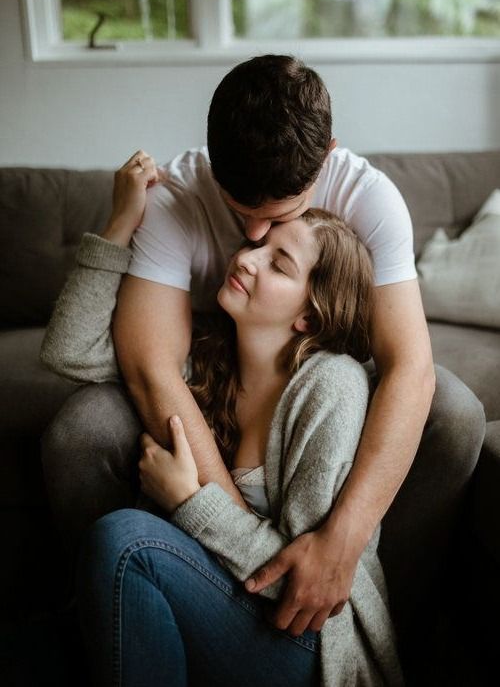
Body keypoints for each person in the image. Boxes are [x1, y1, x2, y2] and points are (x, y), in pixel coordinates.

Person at [41, 55, 485, 661]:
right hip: (217, 379)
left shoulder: (367, 203)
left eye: (277, 226)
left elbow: (410, 365)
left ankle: (375, 628)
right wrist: (210, 517)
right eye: (239, 210)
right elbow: (148, 366)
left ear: (326, 156)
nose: (250, 239)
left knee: (454, 409)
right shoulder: (180, 199)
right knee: (83, 426)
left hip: (301, 402)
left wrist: (339, 545)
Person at [43, 187, 403, 685]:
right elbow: (69, 352)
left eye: (279, 264)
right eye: (258, 246)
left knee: (125, 543)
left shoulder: (331, 387)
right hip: (218, 602)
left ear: (309, 316)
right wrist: (121, 224)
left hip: (307, 640)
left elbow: (303, 586)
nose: (248, 259)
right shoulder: (206, 356)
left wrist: (191, 499)